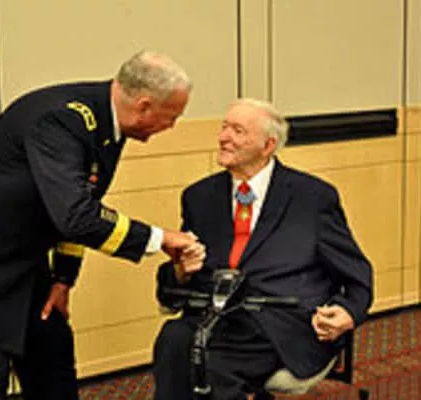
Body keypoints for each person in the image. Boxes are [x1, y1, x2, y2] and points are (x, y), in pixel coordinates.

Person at [0, 50, 200, 400]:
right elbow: (77, 216)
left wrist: (62, 279)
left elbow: (80, 208)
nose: (171, 126)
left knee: (52, 358)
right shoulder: (61, 120)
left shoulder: (109, 123)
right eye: (171, 117)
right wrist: (159, 238)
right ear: (144, 106)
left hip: (21, 257)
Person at [153, 98, 374, 399]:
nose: (224, 137)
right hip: (215, 318)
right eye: (224, 127)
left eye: (238, 131)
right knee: (173, 339)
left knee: (210, 365)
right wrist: (180, 271)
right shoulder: (199, 197)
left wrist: (348, 311)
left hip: (281, 324)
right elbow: (172, 286)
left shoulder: (312, 198)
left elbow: (357, 274)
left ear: (268, 145)